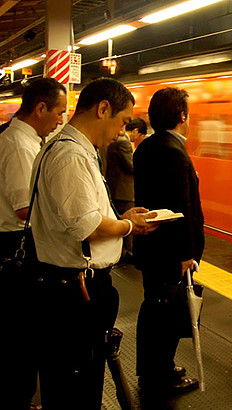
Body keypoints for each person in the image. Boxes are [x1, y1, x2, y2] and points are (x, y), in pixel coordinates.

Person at [30, 77, 158, 409]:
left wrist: (123, 216)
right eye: (122, 121)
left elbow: (86, 213)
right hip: (73, 291)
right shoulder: (70, 155)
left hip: (72, 287)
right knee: (75, 387)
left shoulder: (74, 150)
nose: (122, 131)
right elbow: (86, 226)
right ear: (103, 109)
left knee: (80, 381)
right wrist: (130, 225)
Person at [0, 77, 66, 410]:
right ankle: (19, 399)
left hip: (15, 243)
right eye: (58, 112)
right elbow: (24, 206)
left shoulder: (21, 141)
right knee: (21, 332)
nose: (60, 121)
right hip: (14, 245)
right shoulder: (18, 145)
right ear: (40, 108)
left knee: (22, 331)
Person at [133, 87, 204, 397]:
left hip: (152, 246)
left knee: (155, 308)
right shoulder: (174, 151)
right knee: (165, 312)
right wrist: (186, 252)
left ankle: (156, 367)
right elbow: (181, 206)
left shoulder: (147, 147)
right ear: (182, 116)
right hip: (170, 251)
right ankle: (158, 375)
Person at [105, 124, 135, 261]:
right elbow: (131, 166)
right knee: (127, 220)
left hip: (116, 189)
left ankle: (124, 251)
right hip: (124, 190)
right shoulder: (123, 142)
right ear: (135, 131)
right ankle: (128, 253)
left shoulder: (117, 142)